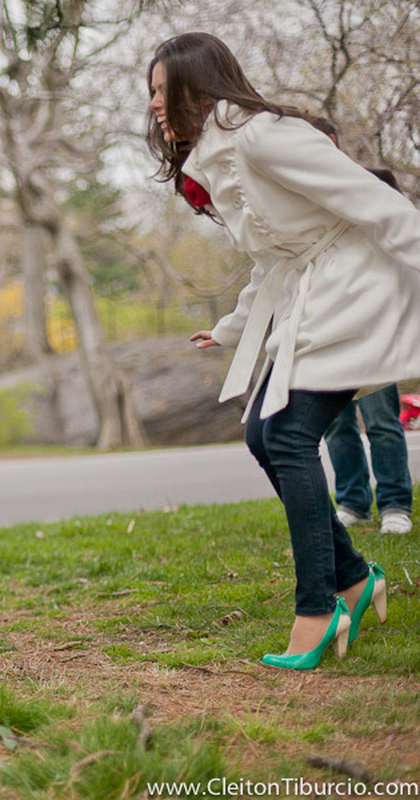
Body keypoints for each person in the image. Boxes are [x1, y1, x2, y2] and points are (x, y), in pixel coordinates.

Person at [147, 32, 420, 669]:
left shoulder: (262, 134)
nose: (156, 104)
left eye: (163, 89)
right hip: (312, 290)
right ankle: (354, 575)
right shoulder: (217, 152)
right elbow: (273, 259)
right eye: (152, 93)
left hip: (355, 288)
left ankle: (318, 606)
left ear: (197, 81)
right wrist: (233, 327)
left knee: (288, 436)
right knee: (262, 435)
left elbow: (376, 202)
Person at [310, 119, 414, 536]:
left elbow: (404, 237)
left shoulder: (375, 182)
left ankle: (395, 504)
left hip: (373, 323)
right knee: (337, 422)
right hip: (327, 323)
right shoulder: (302, 195)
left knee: (382, 417)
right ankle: (353, 501)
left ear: (331, 143)